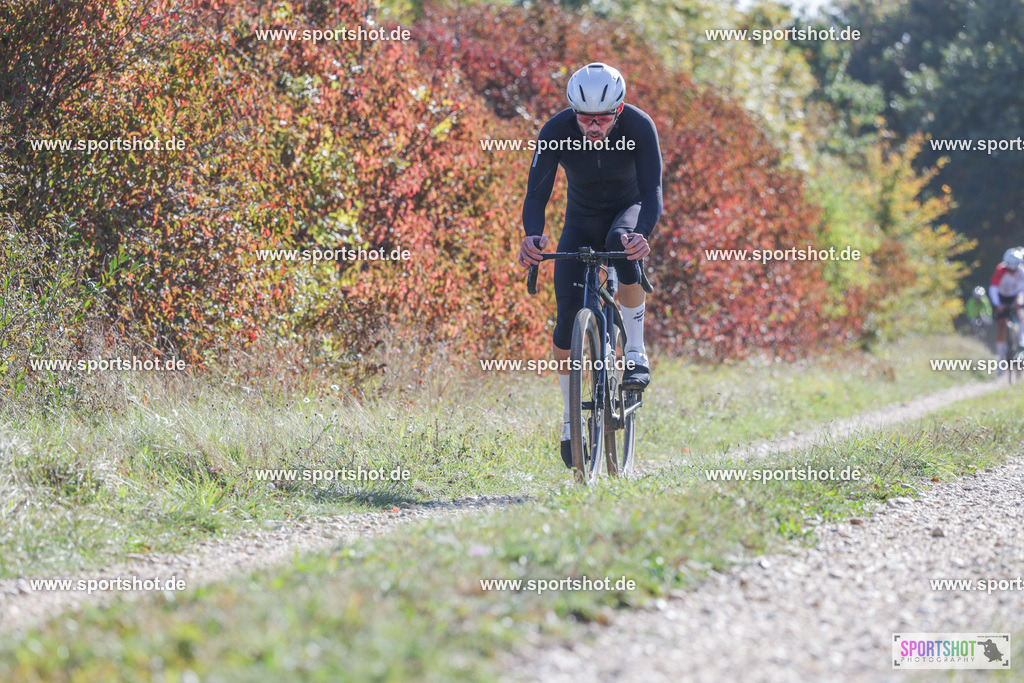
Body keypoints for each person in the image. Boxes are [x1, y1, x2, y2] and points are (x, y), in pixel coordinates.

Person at [517, 62, 663, 468]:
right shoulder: (555, 131)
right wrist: (532, 236)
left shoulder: (639, 127)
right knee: (566, 316)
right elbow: (536, 196)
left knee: (622, 244)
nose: (593, 127)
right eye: (585, 118)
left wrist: (643, 233)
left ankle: (634, 350)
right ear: (573, 111)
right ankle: (569, 420)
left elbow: (652, 193)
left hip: (627, 211)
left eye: (602, 119)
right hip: (579, 219)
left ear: (618, 111)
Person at [989, 247, 1024, 364]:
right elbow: (993, 288)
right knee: (1002, 324)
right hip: (1002, 296)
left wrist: (1020, 303)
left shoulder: (1021, 272)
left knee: (1021, 315)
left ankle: (1021, 341)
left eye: (1014, 270)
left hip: (1015, 296)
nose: (1012, 272)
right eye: (1009, 269)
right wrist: (998, 304)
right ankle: (1002, 358)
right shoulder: (1000, 270)